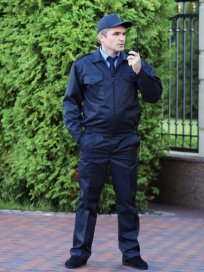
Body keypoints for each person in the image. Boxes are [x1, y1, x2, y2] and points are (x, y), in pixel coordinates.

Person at [63, 13, 162, 270]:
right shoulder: (84, 65)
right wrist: (81, 137)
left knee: (127, 199)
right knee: (87, 200)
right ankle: (80, 252)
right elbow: (71, 102)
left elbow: (154, 95)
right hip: (94, 142)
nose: (122, 38)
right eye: (116, 34)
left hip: (124, 143)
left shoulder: (134, 63)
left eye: (124, 34)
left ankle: (130, 253)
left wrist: (140, 72)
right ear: (102, 37)